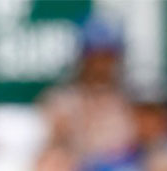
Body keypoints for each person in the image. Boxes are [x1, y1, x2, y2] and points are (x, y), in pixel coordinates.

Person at [39, 16, 134, 163]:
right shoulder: (61, 101)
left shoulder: (130, 101)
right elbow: (51, 153)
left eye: (107, 57)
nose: (100, 66)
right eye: (94, 57)